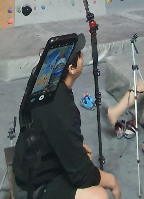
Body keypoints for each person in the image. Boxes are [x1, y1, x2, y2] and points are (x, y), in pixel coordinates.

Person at [12, 33, 121, 199]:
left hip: (30, 162)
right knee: (100, 195)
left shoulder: (45, 86)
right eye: (79, 55)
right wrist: (111, 181)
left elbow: (51, 129)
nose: (82, 55)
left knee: (83, 153)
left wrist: (75, 149)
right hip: (34, 185)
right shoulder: (61, 107)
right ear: (71, 68)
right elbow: (82, 175)